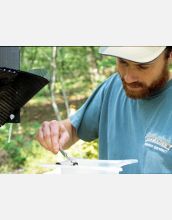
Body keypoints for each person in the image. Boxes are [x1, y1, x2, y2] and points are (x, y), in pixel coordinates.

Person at [36, 46, 172, 174]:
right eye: (123, 62)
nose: (128, 78)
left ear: (169, 55)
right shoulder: (114, 86)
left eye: (142, 66)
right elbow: (71, 130)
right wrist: (57, 132)